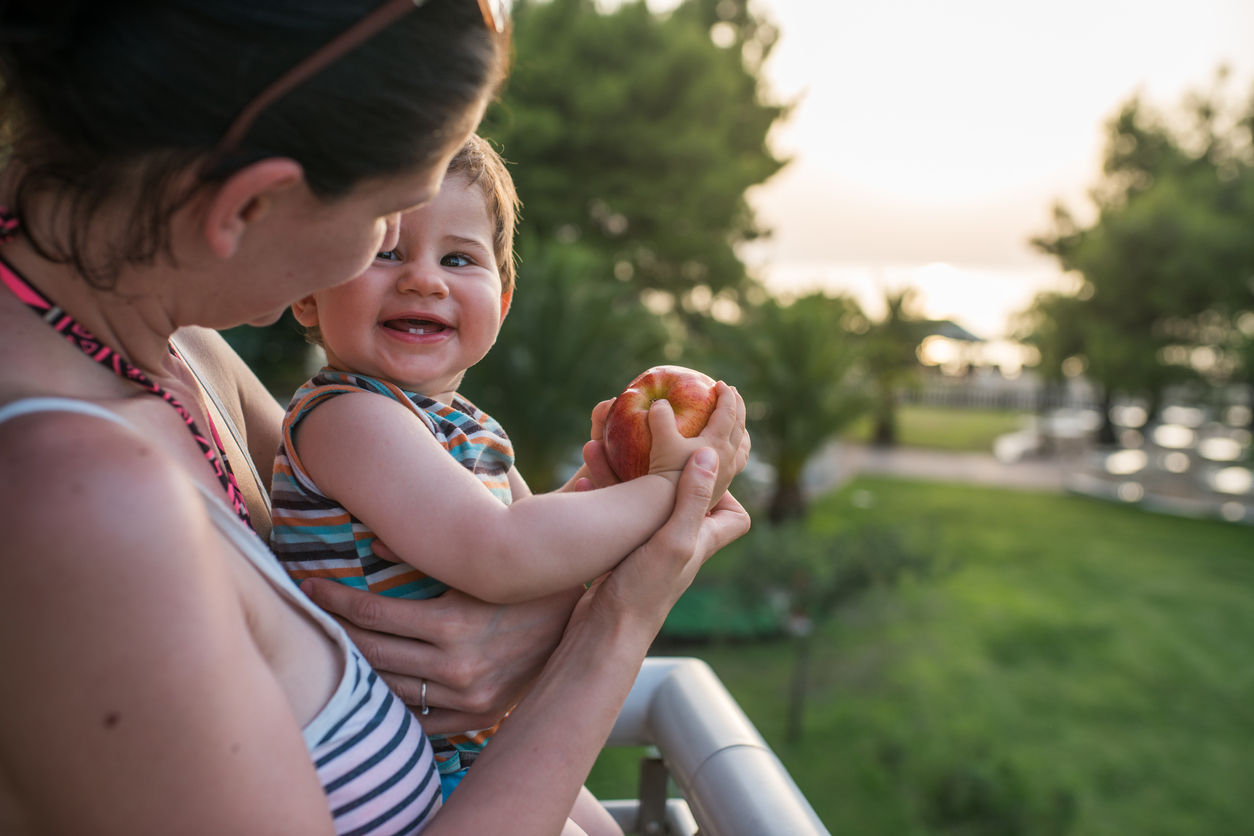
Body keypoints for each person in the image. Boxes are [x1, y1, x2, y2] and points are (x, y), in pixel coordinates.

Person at [0, 2, 751, 835]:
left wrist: (553, 594)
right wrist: (625, 602)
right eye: (386, 224)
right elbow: (494, 560)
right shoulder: (78, 504)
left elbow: (468, 566)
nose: (409, 270)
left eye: (457, 254)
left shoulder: (186, 355)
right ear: (249, 205)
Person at [269, 133, 748, 825]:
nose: (423, 279)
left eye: (459, 258)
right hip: (408, 768)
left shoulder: (466, 427)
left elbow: (539, 558)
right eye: (385, 252)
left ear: (504, 298)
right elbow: (501, 553)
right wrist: (667, 487)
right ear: (308, 294)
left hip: (468, 746)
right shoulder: (345, 415)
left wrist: (606, 491)